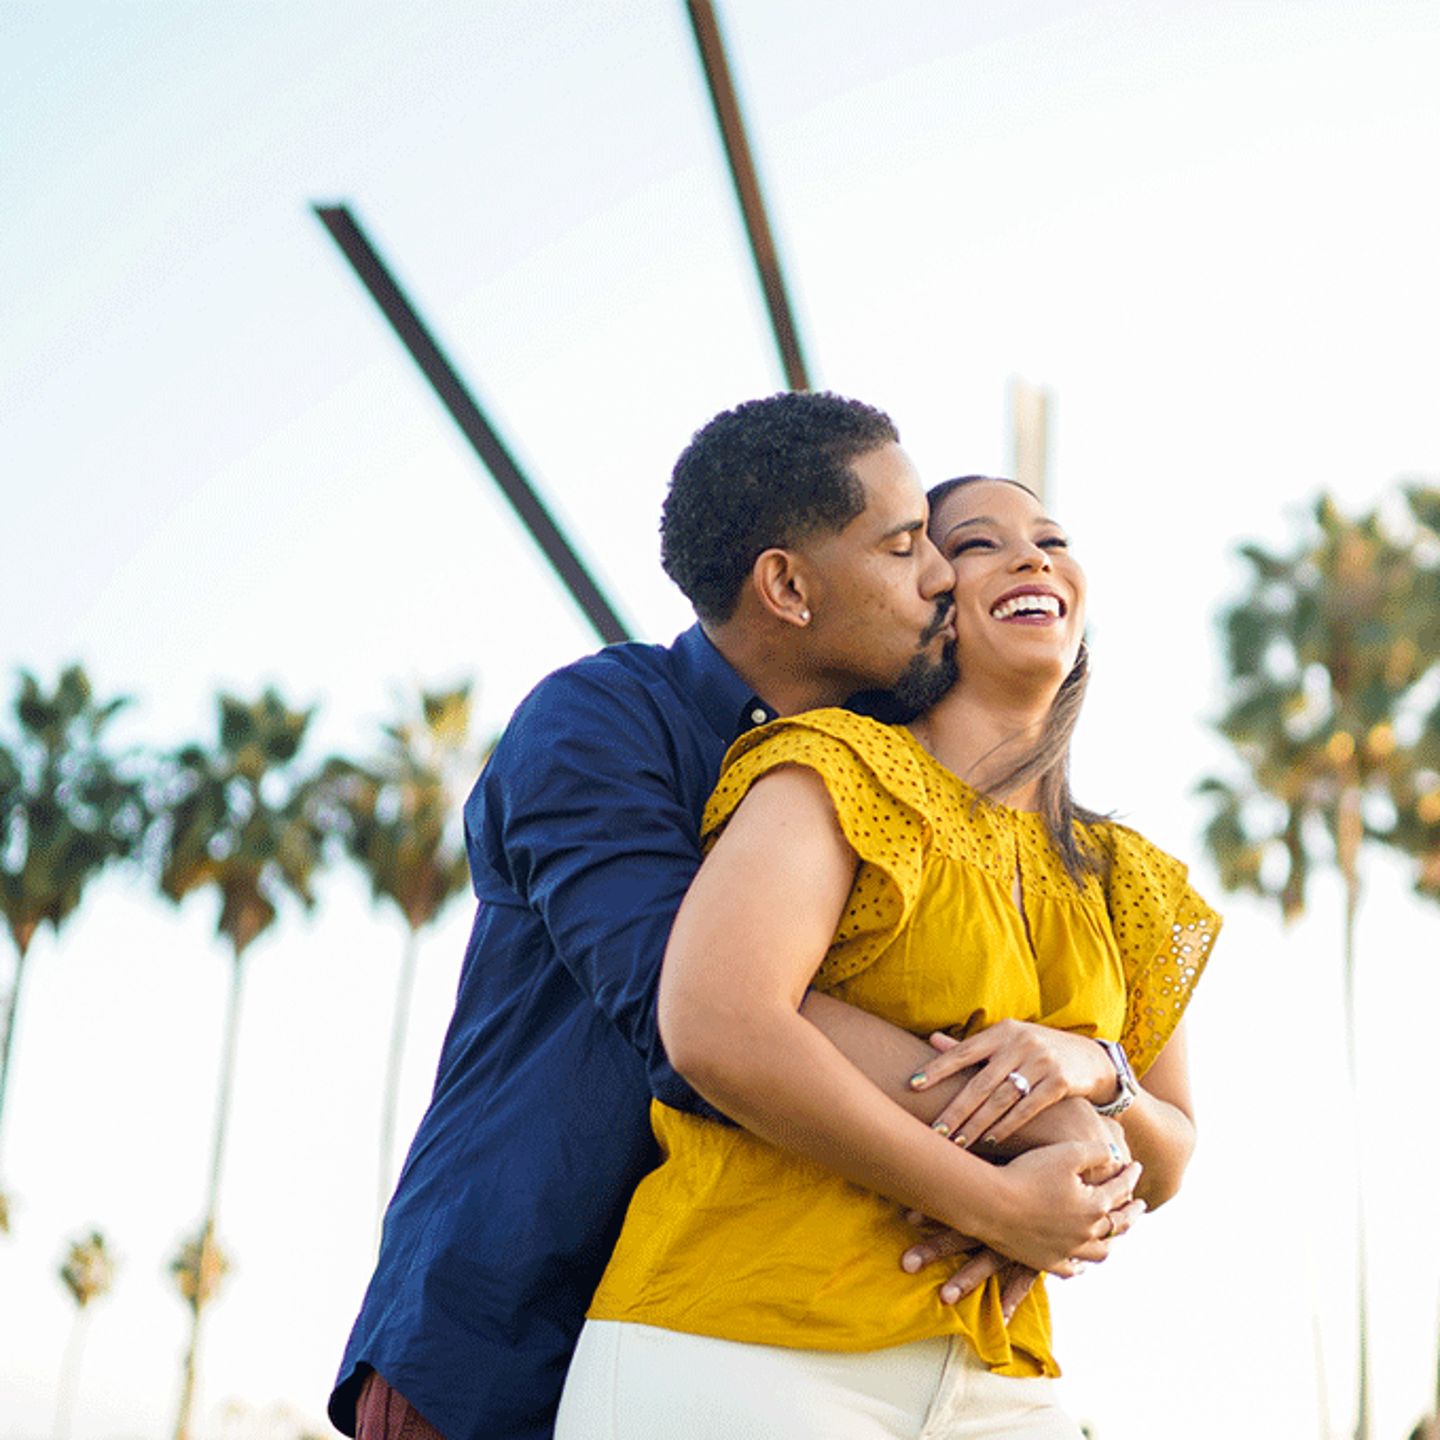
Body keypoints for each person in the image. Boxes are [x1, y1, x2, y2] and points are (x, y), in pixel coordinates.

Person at [329, 394, 1132, 1440]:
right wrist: (1038, 1132)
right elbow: (692, 1010)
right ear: (788, 586)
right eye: (904, 548)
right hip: (515, 1332)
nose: (941, 576)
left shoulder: (888, 777)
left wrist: (1093, 1071)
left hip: (773, 1331)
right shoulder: (599, 724)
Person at [555, 473, 1219, 1439]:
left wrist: (1092, 1070)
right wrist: (1000, 1201)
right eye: (981, 544)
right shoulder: (833, 764)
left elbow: (1167, 1158)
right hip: (743, 1340)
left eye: (1051, 538)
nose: (1033, 556)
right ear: (933, 606)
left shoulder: (1132, 879)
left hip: (998, 1372)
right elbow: (717, 1024)